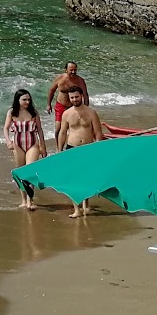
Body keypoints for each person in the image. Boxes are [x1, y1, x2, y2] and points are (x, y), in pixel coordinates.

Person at [57, 88, 106, 218]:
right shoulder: (67, 114)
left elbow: (98, 132)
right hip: (72, 148)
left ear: (82, 96)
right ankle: (76, 209)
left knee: (86, 178)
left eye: (76, 97)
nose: (74, 100)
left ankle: (86, 205)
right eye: (72, 98)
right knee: (73, 180)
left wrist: (99, 148)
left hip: (88, 149)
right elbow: (62, 133)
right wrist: (59, 150)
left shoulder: (91, 112)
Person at [4, 90, 46, 210]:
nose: (27, 102)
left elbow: (40, 130)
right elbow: (6, 128)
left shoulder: (34, 112)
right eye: (24, 100)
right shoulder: (12, 112)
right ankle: (23, 199)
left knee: (30, 171)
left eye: (28, 99)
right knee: (20, 172)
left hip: (32, 144)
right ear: (18, 100)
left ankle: (30, 200)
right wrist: (8, 141)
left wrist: (43, 146)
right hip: (18, 145)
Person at [45, 62, 88, 131]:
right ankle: (58, 142)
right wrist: (48, 104)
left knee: (73, 127)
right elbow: (51, 91)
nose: (73, 72)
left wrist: (86, 108)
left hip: (74, 106)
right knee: (58, 128)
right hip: (60, 105)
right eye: (71, 70)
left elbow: (85, 95)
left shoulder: (80, 81)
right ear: (66, 70)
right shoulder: (60, 78)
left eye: (75, 70)